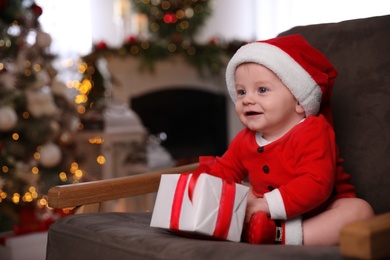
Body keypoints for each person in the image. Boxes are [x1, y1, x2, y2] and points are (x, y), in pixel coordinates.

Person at [199, 34, 374, 246]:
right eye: (241, 92)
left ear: (299, 101)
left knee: (359, 210)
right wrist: (204, 188)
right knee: (239, 193)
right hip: (265, 212)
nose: (247, 99)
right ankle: (253, 228)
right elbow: (226, 170)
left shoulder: (313, 131)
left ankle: (281, 236)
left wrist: (267, 205)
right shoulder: (244, 139)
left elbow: (316, 183)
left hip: (319, 210)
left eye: (262, 90)